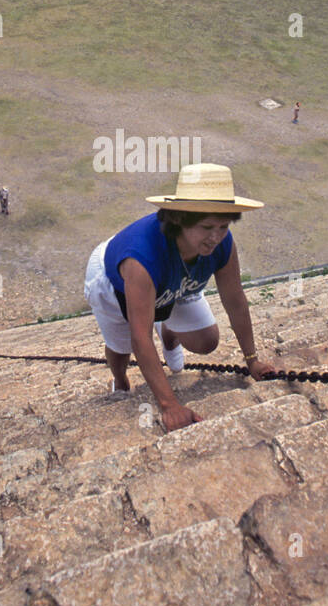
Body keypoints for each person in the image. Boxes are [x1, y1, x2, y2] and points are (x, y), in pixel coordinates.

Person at [84, 163, 277, 432]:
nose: (215, 237)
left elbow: (234, 299)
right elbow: (141, 337)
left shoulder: (221, 244)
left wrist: (252, 359)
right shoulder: (141, 259)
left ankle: (168, 331)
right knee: (122, 346)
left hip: (175, 277)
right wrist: (169, 405)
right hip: (116, 278)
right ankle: (120, 380)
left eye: (223, 226)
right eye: (207, 226)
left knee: (207, 340)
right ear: (178, 219)